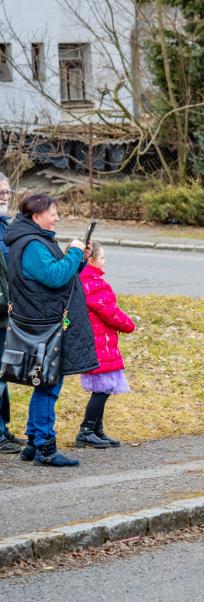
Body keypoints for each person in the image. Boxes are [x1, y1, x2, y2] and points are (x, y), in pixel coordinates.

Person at [4, 193, 95, 467]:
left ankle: (33, 443)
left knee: (44, 383)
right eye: (52, 213)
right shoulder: (32, 244)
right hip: (45, 327)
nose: (56, 218)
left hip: (44, 323)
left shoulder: (35, 240)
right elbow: (55, 278)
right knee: (48, 385)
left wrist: (78, 260)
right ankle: (45, 447)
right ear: (36, 216)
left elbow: (57, 276)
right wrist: (74, 251)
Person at [76, 242, 136, 449]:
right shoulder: (92, 283)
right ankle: (86, 430)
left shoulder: (89, 279)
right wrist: (129, 325)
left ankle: (96, 429)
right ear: (91, 260)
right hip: (99, 341)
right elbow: (109, 311)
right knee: (103, 388)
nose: (105, 261)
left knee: (103, 387)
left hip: (102, 340)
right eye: (102, 257)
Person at [0, 171, 20, 454]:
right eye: (0, 192)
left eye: (7, 191)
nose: (4, 196)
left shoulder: (6, 226)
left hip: (6, 311)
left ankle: (3, 427)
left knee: (3, 370)